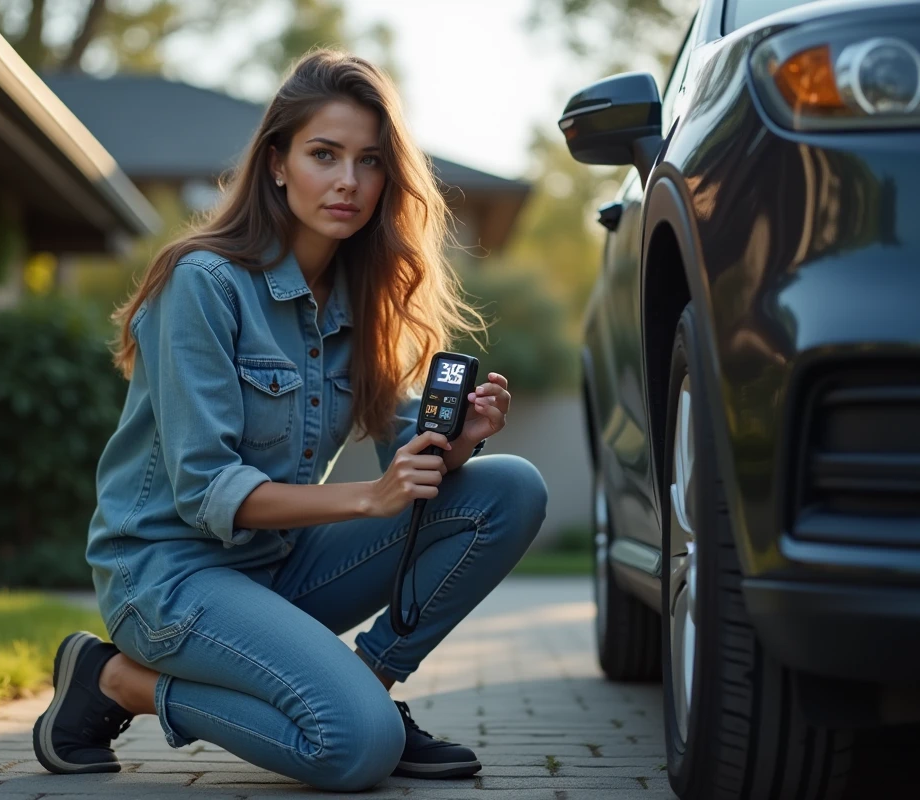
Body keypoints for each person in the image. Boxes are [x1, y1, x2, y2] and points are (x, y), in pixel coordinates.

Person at [32, 48, 549, 793]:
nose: (348, 181)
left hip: (276, 569)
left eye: (370, 161)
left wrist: (457, 444)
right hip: (169, 579)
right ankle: (115, 680)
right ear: (277, 163)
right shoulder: (202, 284)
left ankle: (369, 685)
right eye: (324, 154)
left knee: (510, 489)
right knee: (355, 750)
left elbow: (404, 463)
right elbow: (207, 490)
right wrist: (369, 499)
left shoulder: (364, 300)